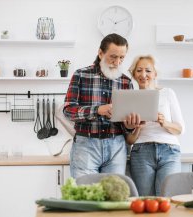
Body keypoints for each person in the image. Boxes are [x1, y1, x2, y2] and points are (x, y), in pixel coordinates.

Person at [63, 33, 140, 179]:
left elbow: (126, 125)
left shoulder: (125, 82)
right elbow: (68, 111)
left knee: (113, 199)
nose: (117, 62)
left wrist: (130, 125)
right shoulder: (81, 75)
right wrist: (98, 110)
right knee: (84, 197)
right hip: (86, 145)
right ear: (100, 53)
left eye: (121, 57)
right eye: (113, 56)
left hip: (117, 146)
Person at [126, 55, 185, 196]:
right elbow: (129, 140)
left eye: (148, 70)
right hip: (141, 151)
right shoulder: (129, 98)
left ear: (155, 73)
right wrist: (138, 127)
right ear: (134, 74)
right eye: (139, 70)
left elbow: (180, 129)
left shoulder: (167, 93)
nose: (143, 75)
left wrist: (165, 123)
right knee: (146, 200)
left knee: (167, 197)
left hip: (169, 151)